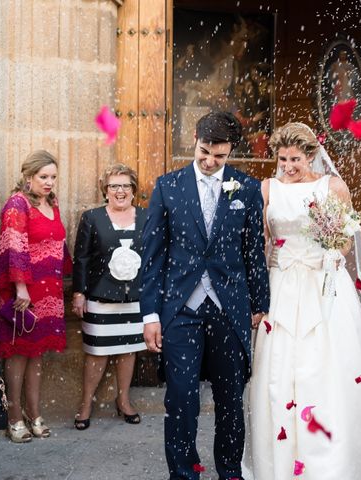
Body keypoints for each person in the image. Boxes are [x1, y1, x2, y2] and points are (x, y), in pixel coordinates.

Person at [245, 122, 361, 479]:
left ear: (311, 155)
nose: (288, 166)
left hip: (324, 284)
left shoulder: (334, 187)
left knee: (328, 367)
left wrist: (327, 250)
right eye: (282, 159)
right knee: (278, 371)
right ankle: (279, 461)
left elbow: (344, 240)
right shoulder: (267, 189)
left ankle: (335, 462)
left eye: (295, 158)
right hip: (281, 285)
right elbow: (261, 242)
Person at [141, 111, 270, 480]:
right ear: (195, 139)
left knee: (230, 400)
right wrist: (150, 315)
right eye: (205, 152)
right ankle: (184, 473)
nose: (211, 162)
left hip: (230, 309)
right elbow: (153, 257)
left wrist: (260, 305)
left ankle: (230, 472)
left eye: (220, 156)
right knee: (181, 399)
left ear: (231, 152)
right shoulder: (169, 187)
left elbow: (252, 254)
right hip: (181, 309)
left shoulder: (245, 189)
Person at [0, 150, 71, 443]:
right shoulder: (17, 204)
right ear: (29, 177)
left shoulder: (53, 202)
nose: (49, 182)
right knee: (17, 355)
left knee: (37, 354)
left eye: (53, 177)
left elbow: (59, 245)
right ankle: (14, 418)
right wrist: (21, 288)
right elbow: (13, 246)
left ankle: (34, 413)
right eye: (43, 177)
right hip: (24, 293)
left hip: (49, 291)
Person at [72, 164, 147, 430]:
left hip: (136, 299)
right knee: (96, 353)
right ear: (106, 190)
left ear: (133, 190)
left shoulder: (147, 217)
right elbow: (81, 258)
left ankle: (124, 400)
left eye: (126, 185)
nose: (120, 191)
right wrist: (79, 293)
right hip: (100, 298)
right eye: (114, 186)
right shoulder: (92, 218)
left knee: (128, 351)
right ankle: (85, 404)